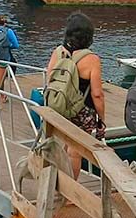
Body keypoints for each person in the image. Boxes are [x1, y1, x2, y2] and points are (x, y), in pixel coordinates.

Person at [45, 12, 105, 180]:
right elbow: (97, 94)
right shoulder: (92, 59)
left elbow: (50, 77)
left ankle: (56, 181)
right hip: (81, 112)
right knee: (75, 152)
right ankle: (70, 191)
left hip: (59, 107)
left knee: (62, 144)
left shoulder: (58, 52)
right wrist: (101, 119)